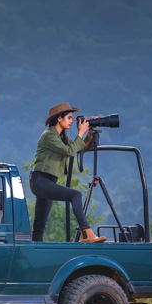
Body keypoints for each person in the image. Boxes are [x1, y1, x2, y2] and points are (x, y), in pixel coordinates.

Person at [29, 102, 106, 243]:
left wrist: (89, 133)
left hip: (48, 182)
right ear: (59, 118)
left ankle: (35, 252)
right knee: (75, 195)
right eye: (69, 118)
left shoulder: (62, 138)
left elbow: (79, 149)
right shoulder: (48, 136)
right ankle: (86, 233)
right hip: (40, 181)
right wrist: (80, 132)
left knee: (39, 226)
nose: (72, 121)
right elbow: (70, 151)